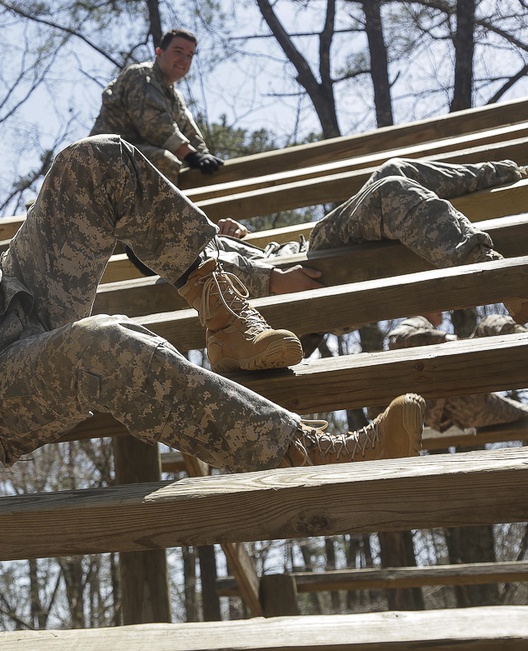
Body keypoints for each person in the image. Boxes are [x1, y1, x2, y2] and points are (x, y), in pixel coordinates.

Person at [0, 23, 424, 560]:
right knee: (104, 344)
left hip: (9, 311)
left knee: (97, 159)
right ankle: (312, 453)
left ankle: (225, 310)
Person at [137, 158, 528, 324]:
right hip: (301, 274)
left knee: (392, 170)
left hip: (297, 255)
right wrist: (269, 281)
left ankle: (511, 172)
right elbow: (197, 285)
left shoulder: (198, 239)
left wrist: (237, 239)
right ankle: (498, 276)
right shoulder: (170, 257)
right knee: (390, 191)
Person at [90, 28, 225, 184]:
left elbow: (190, 134)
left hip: (129, 160)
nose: (184, 60)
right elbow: (154, 124)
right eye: (178, 51)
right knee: (164, 160)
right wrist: (192, 156)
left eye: (190, 55)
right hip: (102, 158)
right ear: (159, 52)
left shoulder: (175, 98)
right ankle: (158, 209)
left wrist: (204, 156)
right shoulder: (140, 76)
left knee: (199, 171)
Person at [385, 312, 528, 433]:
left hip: (467, 409)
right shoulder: (417, 321)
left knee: (525, 415)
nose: (442, 311)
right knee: (491, 323)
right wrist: (442, 338)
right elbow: (396, 339)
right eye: (436, 306)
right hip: (456, 394)